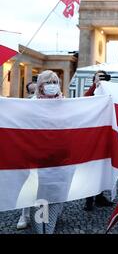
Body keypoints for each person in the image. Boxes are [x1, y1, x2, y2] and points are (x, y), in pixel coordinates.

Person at [27, 70, 69, 234]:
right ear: (40, 86)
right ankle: (40, 231)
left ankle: (49, 231)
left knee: (55, 197)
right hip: (36, 160)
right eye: (48, 82)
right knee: (38, 199)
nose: (52, 86)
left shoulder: (66, 104)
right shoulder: (31, 104)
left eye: (55, 82)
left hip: (59, 159)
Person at [83, 70, 114, 211]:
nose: (101, 78)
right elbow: (85, 102)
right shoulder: (91, 91)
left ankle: (100, 196)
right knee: (91, 167)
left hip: (106, 135)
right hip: (92, 136)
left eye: (103, 76)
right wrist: (95, 85)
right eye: (98, 76)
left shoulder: (110, 90)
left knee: (103, 166)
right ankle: (89, 198)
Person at [16, 80, 38, 229]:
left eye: (36, 91)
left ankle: (44, 215)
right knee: (28, 183)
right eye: (31, 92)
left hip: (47, 152)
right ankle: (24, 214)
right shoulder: (22, 108)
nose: (33, 95)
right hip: (29, 151)